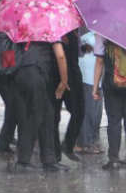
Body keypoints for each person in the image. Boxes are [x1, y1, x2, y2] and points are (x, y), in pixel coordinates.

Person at [12, 41, 69, 172]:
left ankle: (49, 160)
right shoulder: (49, 27)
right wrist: (64, 81)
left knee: (47, 114)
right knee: (35, 116)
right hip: (35, 73)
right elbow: (60, 55)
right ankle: (23, 162)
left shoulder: (23, 27)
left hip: (20, 73)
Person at [93, 34, 126, 170]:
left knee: (114, 121)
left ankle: (114, 159)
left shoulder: (103, 31)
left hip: (112, 81)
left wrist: (95, 87)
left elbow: (99, 61)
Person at [52, 30, 85, 162]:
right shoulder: (51, 31)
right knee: (54, 116)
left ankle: (66, 145)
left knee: (78, 111)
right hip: (57, 76)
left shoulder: (72, 31)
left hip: (71, 75)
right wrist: (64, 81)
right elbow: (60, 56)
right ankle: (56, 153)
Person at [75, 32, 103, 154]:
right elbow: (99, 60)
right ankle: (85, 143)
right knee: (89, 111)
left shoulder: (96, 34)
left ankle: (90, 141)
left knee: (95, 112)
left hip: (94, 77)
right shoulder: (90, 35)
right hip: (89, 77)